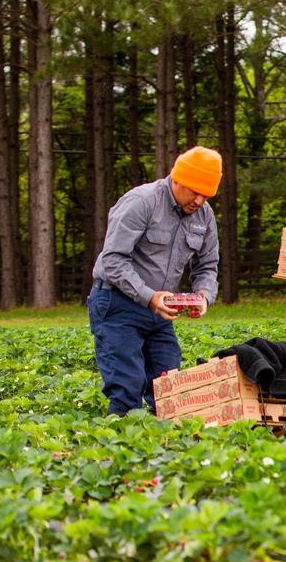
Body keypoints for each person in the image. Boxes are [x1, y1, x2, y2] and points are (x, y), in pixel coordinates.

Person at [88, 146, 222, 416]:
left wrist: (204, 296)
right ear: (177, 178)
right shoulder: (141, 202)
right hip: (118, 304)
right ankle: (120, 445)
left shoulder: (204, 216)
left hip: (160, 311)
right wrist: (149, 296)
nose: (198, 200)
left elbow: (207, 265)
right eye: (193, 191)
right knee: (126, 386)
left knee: (167, 386)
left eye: (206, 194)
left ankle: (164, 450)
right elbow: (113, 260)